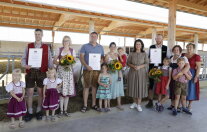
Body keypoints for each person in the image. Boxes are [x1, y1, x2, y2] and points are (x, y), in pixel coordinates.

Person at [21, 28, 53, 121]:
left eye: (39, 34)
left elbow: (50, 60)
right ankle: (29, 111)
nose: (37, 36)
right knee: (29, 92)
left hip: (41, 72)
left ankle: (39, 110)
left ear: (42, 35)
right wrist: (24, 65)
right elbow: (23, 58)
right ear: (34, 35)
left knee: (40, 92)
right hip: (30, 71)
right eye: (36, 34)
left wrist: (54, 68)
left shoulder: (46, 47)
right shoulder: (29, 46)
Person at [80, 32, 104, 113]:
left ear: (97, 37)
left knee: (94, 87)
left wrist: (101, 60)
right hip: (87, 69)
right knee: (86, 87)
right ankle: (85, 105)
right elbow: (81, 57)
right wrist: (86, 66)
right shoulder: (85, 46)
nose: (93, 38)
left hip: (96, 70)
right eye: (92, 36)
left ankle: (94, 104)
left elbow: (102, 57)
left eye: (95, 36)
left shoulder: (100, 47)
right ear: (90, 37)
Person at [146, 34, 171, 108]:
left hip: (161, 70)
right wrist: (148, 59)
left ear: (162, 39)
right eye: (157, 38)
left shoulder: (166, 48)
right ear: (155, 39)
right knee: (151, 85)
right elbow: (146, 56)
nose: (158, 40)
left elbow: (169, 58)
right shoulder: (151, 47)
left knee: (159, 85)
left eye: (160, 38)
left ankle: (158, 102)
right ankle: (150, 101)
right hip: (152, 68)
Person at [53, 36, 76, 117]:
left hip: (68, 73)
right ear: (63, 42)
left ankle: (65, 110)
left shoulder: (72, 50)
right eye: (64, 40)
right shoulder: (59, 49)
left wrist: (69, 63)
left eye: (67, 41)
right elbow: (54, 61)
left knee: (67, 92)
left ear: (70, 42)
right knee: (61, 92)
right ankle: (61, 111)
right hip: (60, 72)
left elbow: (74, 62)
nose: (66, 42)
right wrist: (61, 63)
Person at [127, 39, 149, 112]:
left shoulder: (144, 53)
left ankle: (139, 104)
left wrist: (140, 66)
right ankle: (134, 102)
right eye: (137, 44)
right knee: (133, 87)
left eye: (139, 44)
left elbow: (146, 63)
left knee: (140, 87)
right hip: (132, 72)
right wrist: (133, 66)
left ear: (141, 45)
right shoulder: (131, 53)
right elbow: (128, 62)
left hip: (141, 73)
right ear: (135, 45)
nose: (138, 45)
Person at [168, 45, 190, 111]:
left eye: (177, 50)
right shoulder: (171, 57)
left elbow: (187, 67)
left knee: (179, 93)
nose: (176, 51)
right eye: (174, 49)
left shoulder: (183, 57)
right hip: (172, 77)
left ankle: (178, 106)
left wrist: (180, 73)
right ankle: (172, 105)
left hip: (180, 77)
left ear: (180, 51)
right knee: (172, 91)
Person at [105, 42, 125, 110]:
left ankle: (119, 104)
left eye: (114, 47)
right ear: (109, 47)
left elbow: (120, 65)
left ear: (115, 48)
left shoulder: (117, 55)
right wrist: (110, 68)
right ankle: (108, 106)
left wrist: (120, 74)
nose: (113, 48)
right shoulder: (107, 55)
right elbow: (105, 66)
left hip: (118, 73)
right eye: (111, 46)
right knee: (110, 88)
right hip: (111, 74)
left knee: (118, 88)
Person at [183, 43, 201, 112]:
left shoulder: (197, 56)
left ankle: (189, 105)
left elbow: (198, 67)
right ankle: (184, 104)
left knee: (191, 89)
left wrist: (196, 76)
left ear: (193, 48)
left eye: (190, 47)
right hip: (184, 73)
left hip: (192, 73)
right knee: (184, 88)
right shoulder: (183, 55)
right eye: (188, 47)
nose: (189, 49)